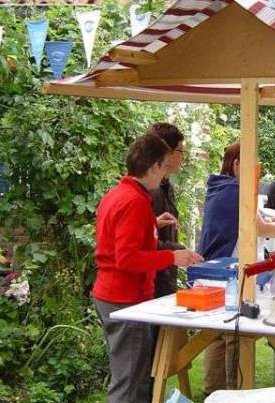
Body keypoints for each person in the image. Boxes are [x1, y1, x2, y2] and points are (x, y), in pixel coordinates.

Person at [92, 134, 203, 403]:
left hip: (111, 295)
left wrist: (152, 224)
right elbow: (127, 259)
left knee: (132, 377)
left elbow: (118, 236)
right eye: (165, 167)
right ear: (153, 166)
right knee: (130, 383)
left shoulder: (119, 193)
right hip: (124, 298)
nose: (165, 174)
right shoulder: (135, 201)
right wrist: (171, 258)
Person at [199, 142, 275, 394]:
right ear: (237, 164)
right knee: (226, 335)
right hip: (224, 271)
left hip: (221, 268)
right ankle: (226, 391)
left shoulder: (225, 187)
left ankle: (217, 390)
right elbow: (255, 227)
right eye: (253, 166)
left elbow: (251, 220)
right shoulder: (232, 191)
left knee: (219, 335)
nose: (257, 172)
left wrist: (269, 220)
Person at [147, 122, 187, 297]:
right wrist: (176, 250)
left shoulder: (165, 185)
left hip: (164, 278)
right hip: (150, 284)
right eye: (180, 151)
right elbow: (142, 242)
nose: (183, 157)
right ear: (167, 152)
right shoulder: (149, 190)